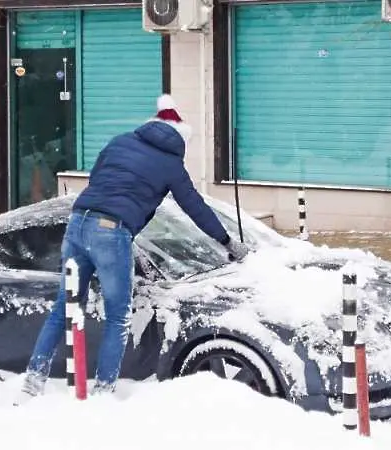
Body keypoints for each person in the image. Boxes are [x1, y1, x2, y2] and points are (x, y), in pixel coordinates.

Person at [14, 94, 249, 404]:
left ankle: (32, 383)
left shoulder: (120, 141)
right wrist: (227, 241)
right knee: (117, 317)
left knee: (64, 308)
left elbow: (98, 178)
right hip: (111, 232)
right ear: (181, 137)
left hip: (77, 221)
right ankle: (103, 393)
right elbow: (194, 207)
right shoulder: (171, 163)